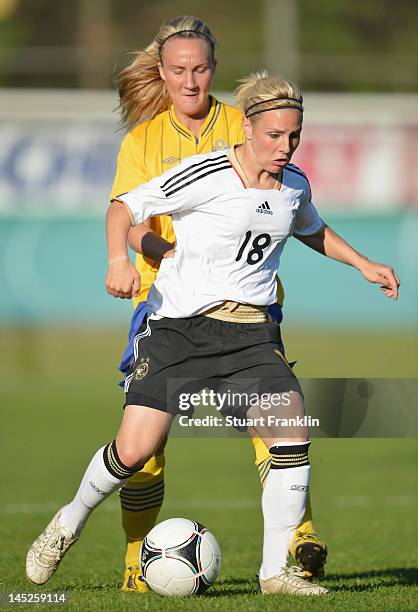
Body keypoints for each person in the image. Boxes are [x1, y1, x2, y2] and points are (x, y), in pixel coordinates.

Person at [26, 72, 399, 596]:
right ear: (247, 128)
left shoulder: (294, 185)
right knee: (134, 450)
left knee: (292, 433)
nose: (285, 146)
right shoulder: (206, 173)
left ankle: (274, 574)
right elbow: (124, 208)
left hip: (251, 335)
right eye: (274, 135)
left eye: (294, 136)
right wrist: (120, 258)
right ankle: (69, 521)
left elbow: (309, 226)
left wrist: (363, 263)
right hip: (180, 330)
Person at [109, 15, 326, 592]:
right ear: (162, 71)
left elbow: (294, 207)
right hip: (169, 307)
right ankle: (137, 558)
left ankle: (298, 537)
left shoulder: (249, 124)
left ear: (214, 69)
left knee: (274, 421)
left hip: (250, 311)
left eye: (201, 68)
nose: (191, 80)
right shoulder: (143, 141)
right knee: (144, 444)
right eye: (178, 69)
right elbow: (128, 220)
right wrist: (148, 252)